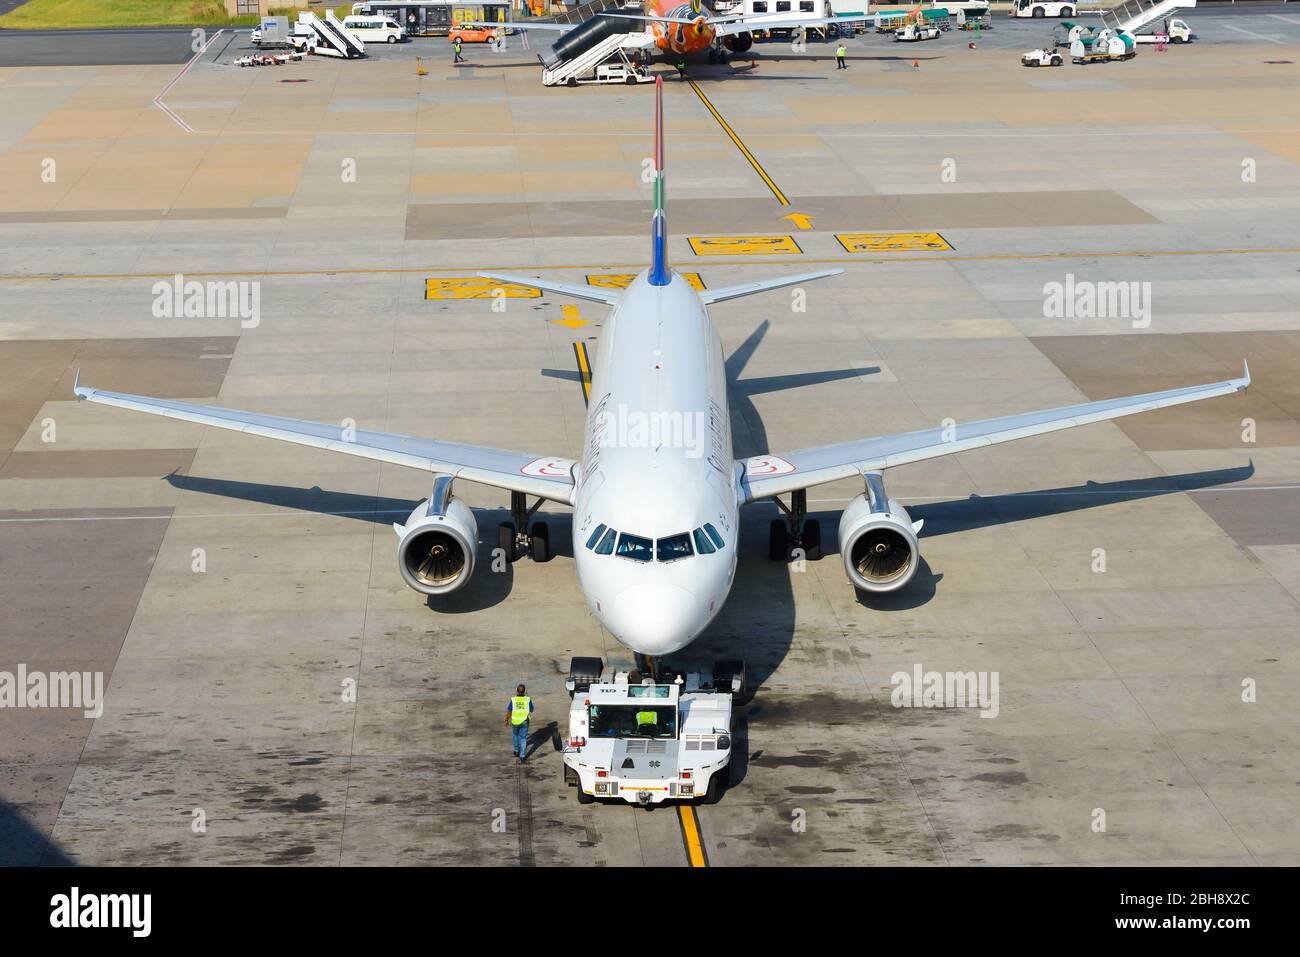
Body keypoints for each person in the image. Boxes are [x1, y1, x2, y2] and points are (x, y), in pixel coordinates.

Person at [506, 684, 533, 762]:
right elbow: (531, 709)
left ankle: (516, 751)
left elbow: (509, 711)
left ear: (516, 691)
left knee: (515, 735)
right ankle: (522, 756)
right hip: (524, 721)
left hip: (515, 721)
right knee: (523, 738)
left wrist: (506, 719)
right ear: (525, 691)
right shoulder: (528, 699)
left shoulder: (513, 700)